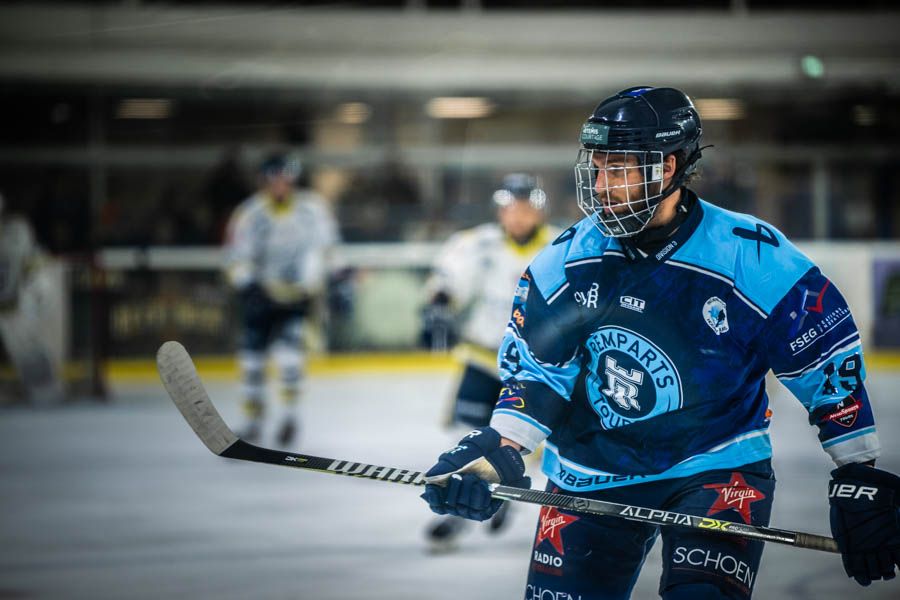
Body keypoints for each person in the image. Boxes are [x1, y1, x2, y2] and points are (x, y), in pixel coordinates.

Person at [421, 86, 900, 598]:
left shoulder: (751, 257)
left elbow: (823, 360)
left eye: (620, 169)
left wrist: (858, 470)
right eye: (598, 167)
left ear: (668, 167)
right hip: (589, 474)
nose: (602, 186)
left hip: (716, 468)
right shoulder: (562, 263)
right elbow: (540, 373)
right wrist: (501, 447)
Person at [420, 173, 558, 551]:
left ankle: (505, 496)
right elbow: (449, 278)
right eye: (510, 208)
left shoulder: (561, 246)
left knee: (521, 441)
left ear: (538, 211)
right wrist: (439, 305)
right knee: (462, 436)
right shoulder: (477, 243)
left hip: (536, 368)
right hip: (483, 357)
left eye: (526, 208)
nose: (517, 216)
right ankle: (455, 517)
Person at [223, 154, 338, 445]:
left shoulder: (312, 210)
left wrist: (332, 278)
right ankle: (252, 421)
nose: (280, 184)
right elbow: (236, 256)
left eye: (285, 177)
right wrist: (248, 285)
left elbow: (327, 250)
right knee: (251, 364)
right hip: (261, 299)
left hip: (296, 300)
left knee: (290, 362)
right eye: (274, 178)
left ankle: (289, 418)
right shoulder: (250, 214)